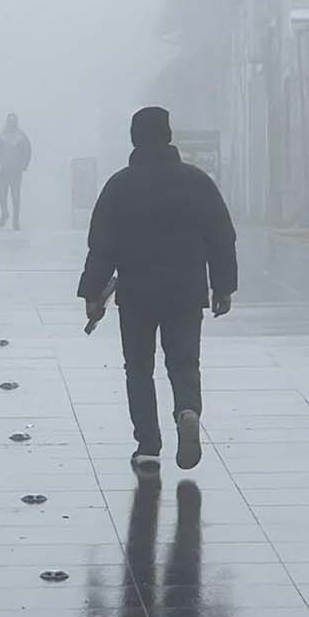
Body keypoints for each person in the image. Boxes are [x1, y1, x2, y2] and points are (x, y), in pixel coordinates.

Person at [77, 107, 237, 472]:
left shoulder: (120, 185)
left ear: (135, 138)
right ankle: (187, 410)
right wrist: (223, 286)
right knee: (183, 362)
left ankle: (148, 442)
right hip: (186, 290)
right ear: (168, 136)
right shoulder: (197, 181)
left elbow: (101, 244)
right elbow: (221, 236)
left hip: (137, 292)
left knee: (138, 368)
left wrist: (93, 293)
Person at [0, 113, 32, 230]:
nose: (11, 124)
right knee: (1, 197)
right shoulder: (0, 137)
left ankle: (16, 221)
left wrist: (23, 166)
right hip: (2, 171)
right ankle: (5, 213)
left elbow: (27, 152)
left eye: (13, 121)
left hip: (16, 172)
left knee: (16, 198)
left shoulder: (21, 138)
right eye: (9, 121)